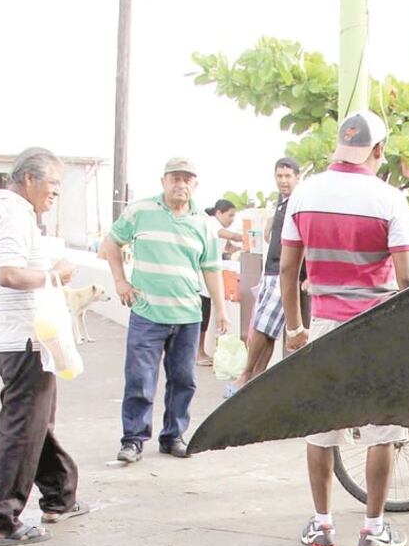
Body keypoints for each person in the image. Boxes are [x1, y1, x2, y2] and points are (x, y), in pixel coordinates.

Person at [280, 111, 409, 546]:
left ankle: (322, 525)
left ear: (341, 147)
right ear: (378, 150)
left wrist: (295, 328)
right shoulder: (390, 199)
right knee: (382, 431)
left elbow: (288, 269)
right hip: (376, 329)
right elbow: (408, 278)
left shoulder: (304, 194)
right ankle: (373, 529)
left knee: (321, 430)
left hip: (324, 328)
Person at [0, 147, 85, 546]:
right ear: (28, 179)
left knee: (35, 421)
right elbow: (7, 274)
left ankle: (60, 494)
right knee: (23, 428)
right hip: (25, 337)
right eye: (52, 183)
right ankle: (0, 520)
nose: (56, 192)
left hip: (17, 335)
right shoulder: (14, 215)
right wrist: (54, 275)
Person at [102, 158, 228, 463]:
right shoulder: (140, 211)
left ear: (195, 185)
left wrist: (221, 311)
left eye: (187, 179)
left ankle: (173, 436)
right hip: (147, 313)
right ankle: (133, 440)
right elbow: (111, 243)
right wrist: (120, 281)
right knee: (140, 380)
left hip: (188, 315)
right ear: (163, 181)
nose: (180, 184)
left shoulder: (204, 223)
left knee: (183, 381)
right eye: (175, 178)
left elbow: (211, 269)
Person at [224, 157, 305, 397]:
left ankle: (245, 375)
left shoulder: (299, 203)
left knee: (262, 325)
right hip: (270, 271)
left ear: (297, 177)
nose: (283, 181)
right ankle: (257, 380)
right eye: (279, 176)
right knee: (268, 330)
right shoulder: (282, 204)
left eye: (288, 176)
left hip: (284, 273)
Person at [196, 199, 244, 367]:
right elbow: (230, 236)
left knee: (205, 315)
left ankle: (199, 351)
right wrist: (248, 237)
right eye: (230, 215)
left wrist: (242, 248)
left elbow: (229, 247)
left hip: (210, 278)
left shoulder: (218, 228)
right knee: (202, 316)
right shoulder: (211, 223)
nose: (232, 219)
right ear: (218, 213)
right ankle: (198, 352)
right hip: (201, 277)